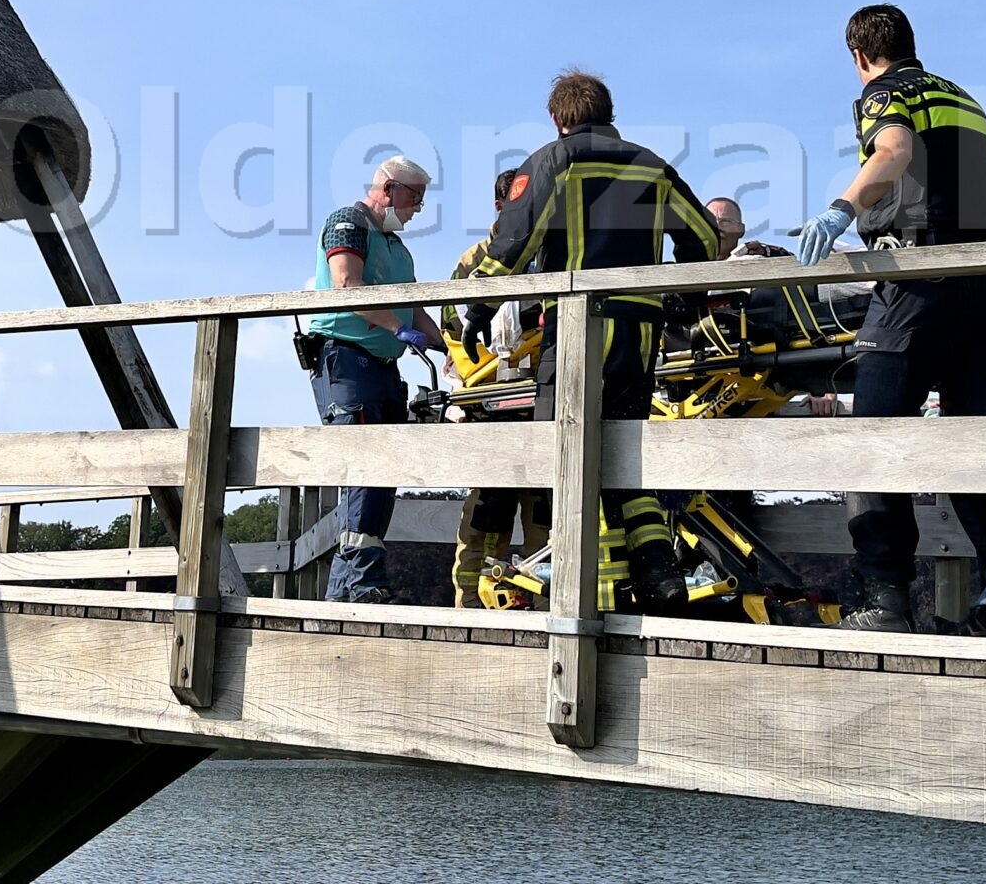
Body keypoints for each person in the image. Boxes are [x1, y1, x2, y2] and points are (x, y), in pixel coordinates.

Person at [795, 5, 986, 633]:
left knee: (874, 437)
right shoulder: (965, 101)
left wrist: (841, 207)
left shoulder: (884, 93)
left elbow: (894, 148)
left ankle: (883, 596)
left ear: (859, 57)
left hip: (917, 283)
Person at [464, 70, 720, 614]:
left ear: (558, 119)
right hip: (642, 329)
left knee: (569, 450)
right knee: (626, 447)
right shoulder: (653, 165)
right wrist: (686, 293)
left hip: (579, 330)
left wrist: (479, 307)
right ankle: (658, 568)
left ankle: (594, 592)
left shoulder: (551, 161)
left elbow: (514, 242)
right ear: (609, 113)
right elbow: (703, 237)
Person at [306, 156, 446, 603]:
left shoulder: (398, 249)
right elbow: (348, 284)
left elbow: (415, 307)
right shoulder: (348, 223)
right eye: (414, 198)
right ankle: (364, 583)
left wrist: (452, 350)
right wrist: (395, 327)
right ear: (388, 188)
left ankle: (344, 592)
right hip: (347, 361)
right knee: (364, 468)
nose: (418, 209)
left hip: (383, 367)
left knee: (383, 474)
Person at [445, 167, 547, 606]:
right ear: (500, 206)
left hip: (547, 406)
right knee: (483, 526)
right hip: (490, 408)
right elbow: (453, 326)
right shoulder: (474, 262)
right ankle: (471, 614)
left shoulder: (553, 255)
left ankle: (545, 615)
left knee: (550, 526)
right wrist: (472, 387)